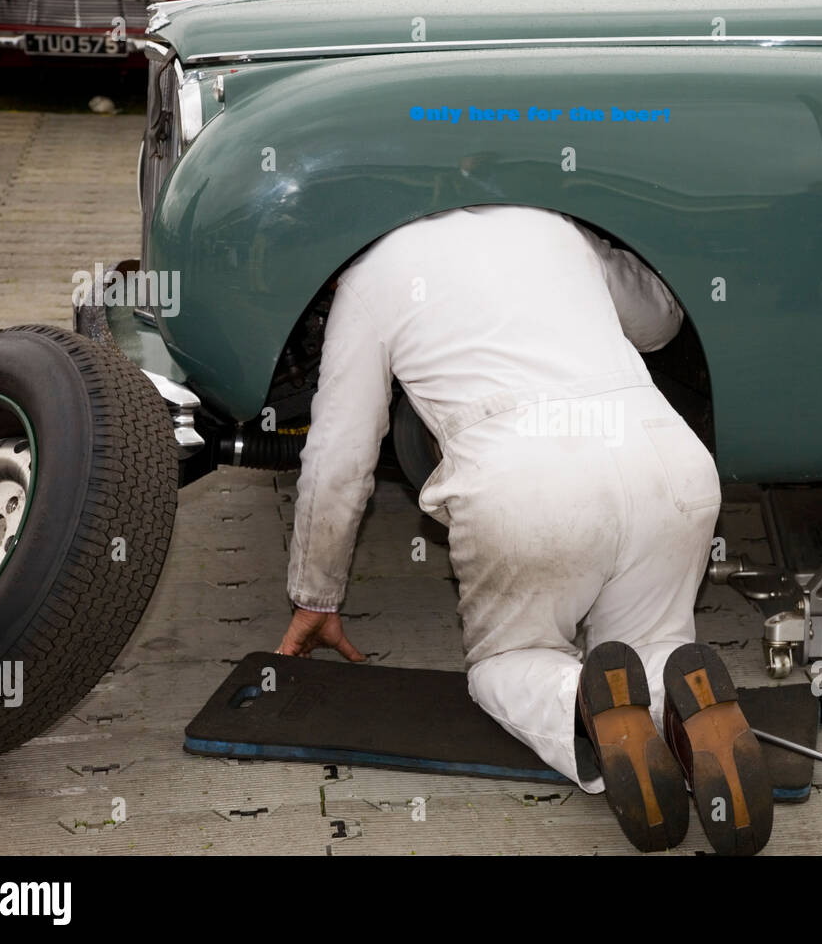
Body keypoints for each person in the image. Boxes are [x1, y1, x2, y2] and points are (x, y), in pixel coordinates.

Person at [277, 205, 772, 855]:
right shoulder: (551, 226)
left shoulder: (372, 275)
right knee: (651, 641)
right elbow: (660, 322)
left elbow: (340, 457)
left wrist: (316, 594)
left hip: (529, 478)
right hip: (666, 459)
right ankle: (681, 706)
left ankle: (578, 702)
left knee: (510, 660)